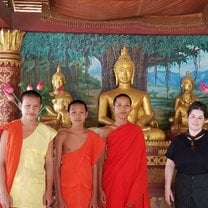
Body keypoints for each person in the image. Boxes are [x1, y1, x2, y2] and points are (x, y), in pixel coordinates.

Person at [0, 90, 57, 208]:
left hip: (37, 192)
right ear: (20, 106)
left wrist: (49, 191)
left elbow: (50, 163)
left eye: (36, 106)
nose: (31, 110)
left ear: (40, 107)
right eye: (27, 106)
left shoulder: (47, 133)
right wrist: (3, 192)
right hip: (12, 191)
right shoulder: (9, 130)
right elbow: (1, 162)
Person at [98, 46, 165, 140]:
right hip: (115, 129)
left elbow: (148, 114)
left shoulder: (142, 95)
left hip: (136, 129)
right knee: (97, 133)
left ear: (133, 73)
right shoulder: (106, 95)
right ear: (115, 72)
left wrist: (137, 126)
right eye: (121, 70)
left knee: (160, 134)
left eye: (128, 70)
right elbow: (101, 117)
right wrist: (117, 126)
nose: (125, 74)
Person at [98, 93, 150, 208]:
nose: (123, 109)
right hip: (112, 179)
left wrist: (138, 183)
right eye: (119, 105)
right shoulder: (105, 131)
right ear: (113, 108)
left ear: (131, 109)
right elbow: (99, 161)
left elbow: (141, 161)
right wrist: (99, 187)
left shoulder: (136, 131)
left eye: (126, 106)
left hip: (132, 180)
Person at [54, 100, 105, 208]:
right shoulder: (62, 136)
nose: (78, 116)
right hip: (66, 189)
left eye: (81, 112)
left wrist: (94, 196)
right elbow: (56, 167)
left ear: (86, 114)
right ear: (68, 114)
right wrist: (59, 197)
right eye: (74, 112)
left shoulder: (93, 137)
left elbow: (94, 167)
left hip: (86, 189)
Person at [165, 101, 208, 208]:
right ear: (187, 117)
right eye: (193, 116)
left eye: (200, 117)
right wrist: (167, 188)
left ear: (205, 120)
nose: (195, 121)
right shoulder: (178, 141)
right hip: (182, 189)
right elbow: (170, 164)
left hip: (204, 189)